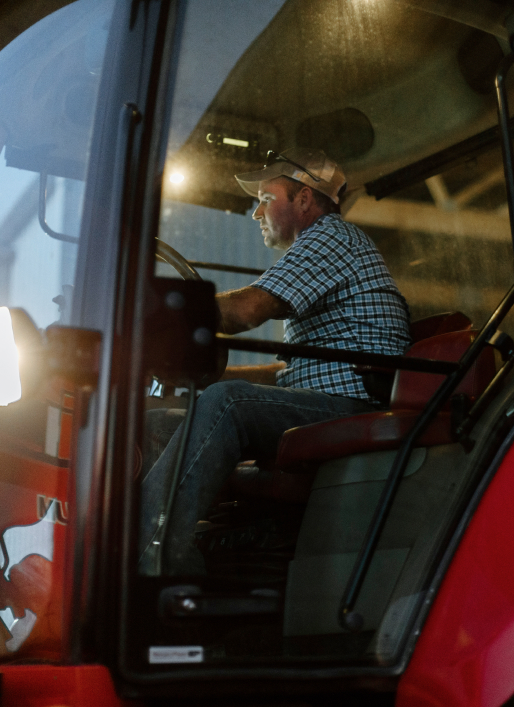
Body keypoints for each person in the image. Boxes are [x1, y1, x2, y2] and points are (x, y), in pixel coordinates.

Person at [139, 148, 410, 575]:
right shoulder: (321, 251)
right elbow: (287, 373)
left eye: (266, 197)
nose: (255, 212)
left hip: (358, 401)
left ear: (304, 199)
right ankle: (191, 549)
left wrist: (153, 315)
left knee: (227, 404)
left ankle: (148, 555)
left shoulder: (331, 237)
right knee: (155, 421)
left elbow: (246, 309)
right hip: (323, 398)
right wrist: (209, 375)